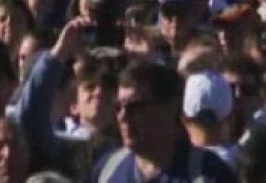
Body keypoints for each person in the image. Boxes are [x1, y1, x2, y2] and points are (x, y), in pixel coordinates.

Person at [92, 59, 239, 183]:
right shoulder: (108, 170)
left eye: (136, 107)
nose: (122, 117)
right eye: (118, 108)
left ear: (170, 109)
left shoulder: (207, 173)